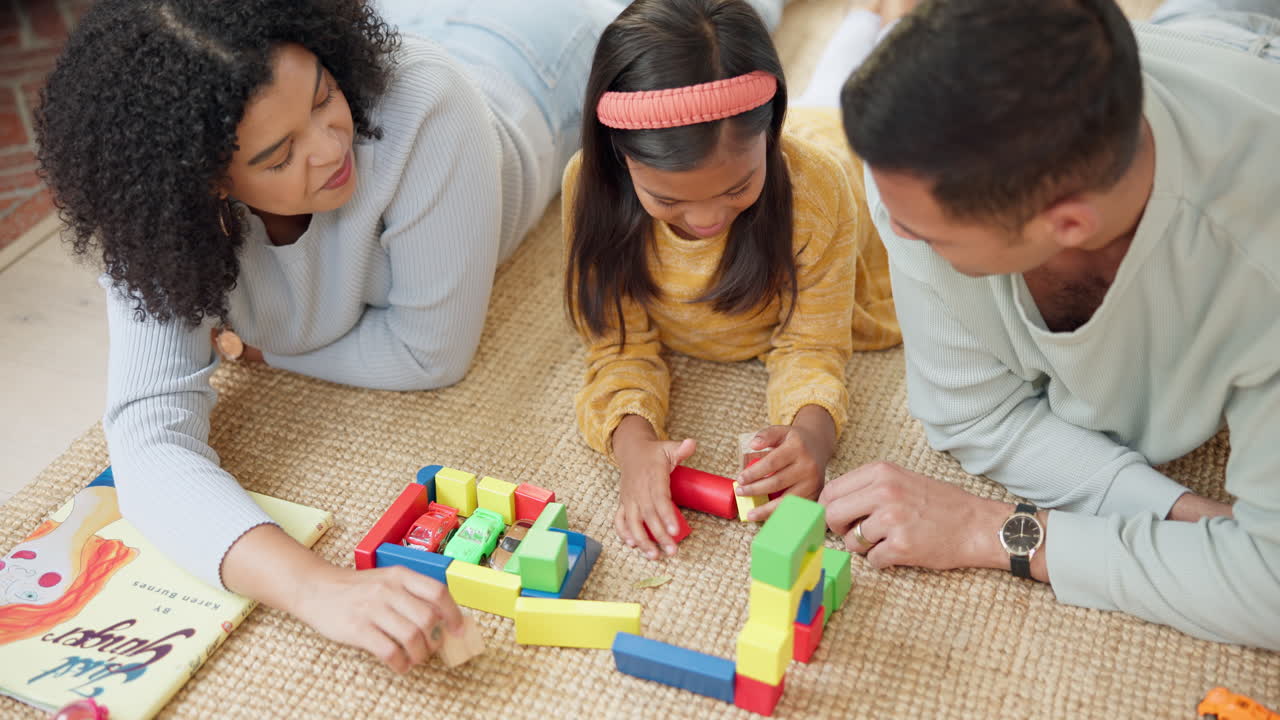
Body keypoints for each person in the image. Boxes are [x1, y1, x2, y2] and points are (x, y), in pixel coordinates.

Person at [825, 0, 1280, 649]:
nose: (892, 230)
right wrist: (1179, 513)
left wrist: (996, 532)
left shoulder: (1262, 267)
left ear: (1068, 226)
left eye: (924, 232)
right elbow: (973, 413)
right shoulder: (918, 165)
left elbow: (1269, 589)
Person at [563, 0, 901, 561]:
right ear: (619, 160)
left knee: (869, 100)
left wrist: (812, 438)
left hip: (847, 161)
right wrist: (634, 444)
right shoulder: (590, 187)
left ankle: (879, 18)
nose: (706, 221)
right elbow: (617, 346)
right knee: (837, 89)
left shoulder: (818, 191)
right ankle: (869, 17)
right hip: (798, 146)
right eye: (668, 200)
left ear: (770, 136)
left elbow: (812, 344)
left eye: (737, 189)